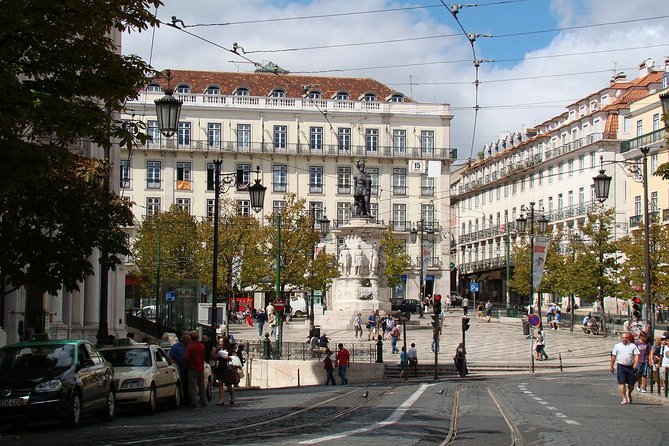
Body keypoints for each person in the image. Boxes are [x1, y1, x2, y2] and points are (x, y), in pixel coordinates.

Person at [610, 332, 640, 404]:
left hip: (630, 367)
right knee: (622, 382)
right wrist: (611, 366)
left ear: (628, 338)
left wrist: (636, 363)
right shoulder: (617, 346)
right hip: (621, 366)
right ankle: (624, 398)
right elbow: (613, 356)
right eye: (623, 338)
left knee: (631, 384)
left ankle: (629, 393)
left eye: (626, 338)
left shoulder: (633, 346)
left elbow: (636, 355)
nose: (624, 339)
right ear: (621, 338)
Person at [185, 331, 207, 408]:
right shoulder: (201, 346)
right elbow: (203, 355)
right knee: (201, 386)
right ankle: (204, 401)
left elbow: (186, 358)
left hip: (192, 368)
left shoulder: (190, 347)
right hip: (200, 367)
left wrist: (187, 365)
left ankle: (195, 402)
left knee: (192, 386)